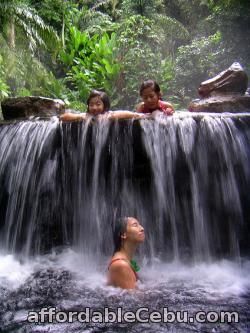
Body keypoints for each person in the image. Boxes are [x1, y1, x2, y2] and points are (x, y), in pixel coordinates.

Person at [108, 217, 145, 289]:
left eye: (140, 225)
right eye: (135, 225)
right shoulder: (121, 265)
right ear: (123, 234)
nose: (142, 228)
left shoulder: (129, 260)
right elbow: (134, 298)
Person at [60, 90, 145, 121]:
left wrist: (137, 115)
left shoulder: (108, 115)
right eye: (91, 104)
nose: (94, 107)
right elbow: (63, 117)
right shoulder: (87, 116)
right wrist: (80, 117)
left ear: (105, 106)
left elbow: (122, 113)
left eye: (98, 104)